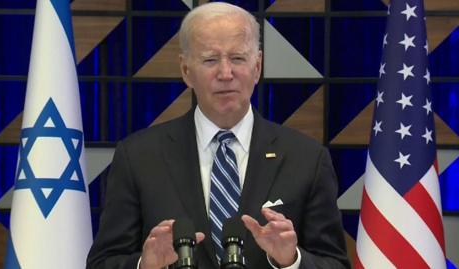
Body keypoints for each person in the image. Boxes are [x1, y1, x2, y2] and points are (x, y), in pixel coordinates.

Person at [87, 2, 350, 269]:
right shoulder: (139, 157)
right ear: (186, 70)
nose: (226, 74)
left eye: (238, 58)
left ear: (257, 66)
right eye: (210, 60)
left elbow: (336, 263)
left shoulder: (307, 158)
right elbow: (102, 263)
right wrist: (145, 265)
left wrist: (291, 260)